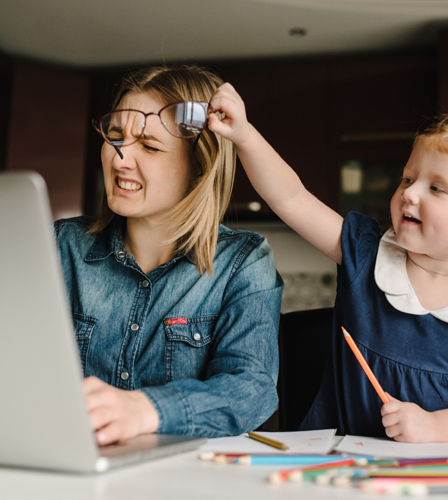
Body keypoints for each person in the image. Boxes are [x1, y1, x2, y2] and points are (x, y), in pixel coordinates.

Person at [208, 83, 448, 442]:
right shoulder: (365, 253)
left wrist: (437, 428)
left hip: (441, 470)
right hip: (342, 463)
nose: (409, 192)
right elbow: (292, 198)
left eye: (436, 188)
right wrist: (244, 136)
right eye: (408, 178)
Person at [54, 66, 283, 446]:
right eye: (115, 136)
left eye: (149, 146)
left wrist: (145, 410)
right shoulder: (61, 247)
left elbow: (251, 390)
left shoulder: (243, 263)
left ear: (199, 169)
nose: (120, 157)